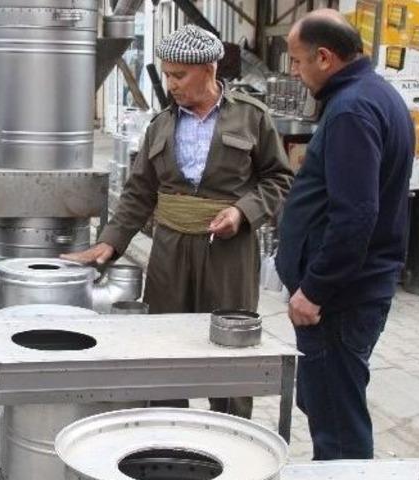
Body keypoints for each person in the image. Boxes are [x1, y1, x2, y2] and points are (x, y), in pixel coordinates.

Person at [63, 25, 294, 419]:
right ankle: (171, 431)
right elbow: (139, 192)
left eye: (179, 75)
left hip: (229, 252)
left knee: (230, 347)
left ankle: (231, 434)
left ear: (209, 68)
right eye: (167, 74)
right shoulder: (161, 126)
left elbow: (278, 178)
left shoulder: (251, 118)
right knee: (165, 347)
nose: (171, 84)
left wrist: (243, 212)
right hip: (169, 250)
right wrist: (111, 242)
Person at [276, 9, 414, 460]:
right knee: (328, 407)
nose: (294, 72)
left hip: (337, 302)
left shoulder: (353, 109)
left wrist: (314, 289)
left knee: (339, 427)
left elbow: (355, 215)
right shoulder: (372, 94)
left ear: (324, 57)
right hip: (350, 294)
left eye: (297, 62)